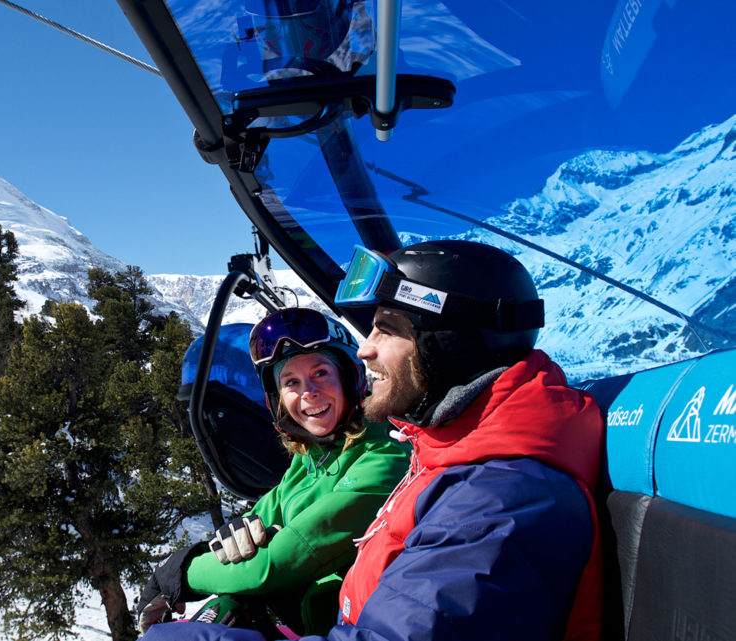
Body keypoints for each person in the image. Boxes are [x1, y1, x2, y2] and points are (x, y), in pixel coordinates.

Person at [144, 240, 605, 641]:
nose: (367, 348)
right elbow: (268, 517)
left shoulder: (494, 500)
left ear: (443, 342)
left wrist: (184, 578)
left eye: (386, 327)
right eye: (290, 383)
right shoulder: (439, 456)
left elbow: (288, 562)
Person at [136, 307, 409, 637]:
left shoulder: (385, 457)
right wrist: (217, 546)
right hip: (310, 615)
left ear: (349, 377)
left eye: (321, 373)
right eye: (291, 381)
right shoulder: (313, 455)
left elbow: (274, 563)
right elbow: (257, 519)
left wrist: (181, 573)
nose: (308, 392)